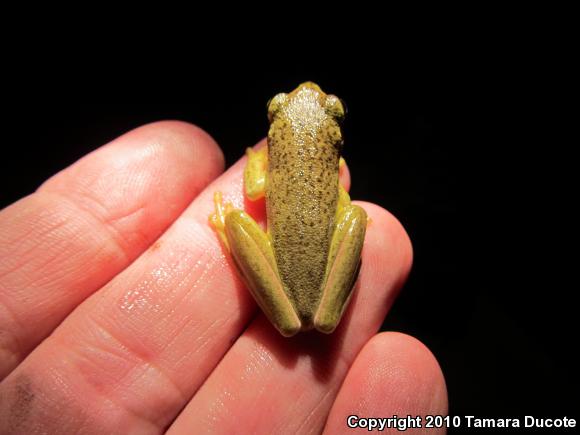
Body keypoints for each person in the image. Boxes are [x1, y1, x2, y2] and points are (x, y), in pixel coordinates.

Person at [0, 121, 447, 433]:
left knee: (238, 217)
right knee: (352, 219)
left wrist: (257, 159)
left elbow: (254, 190)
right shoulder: (332, 175)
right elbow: (342, 210)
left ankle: (286, 298)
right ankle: (317, 309)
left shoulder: (275, 166)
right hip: (321, 291)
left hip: (287, 280)